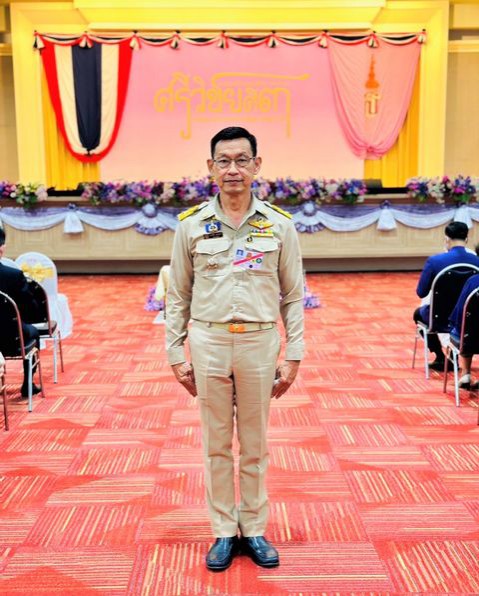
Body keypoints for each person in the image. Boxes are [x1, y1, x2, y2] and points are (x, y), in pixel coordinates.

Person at [166, 126, 304, 571]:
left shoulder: (279, 225)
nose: (233, 170)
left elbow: (292, 295)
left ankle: (255, 528)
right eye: (223, 161)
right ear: (210, 168)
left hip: (260, 343)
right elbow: (177, 294)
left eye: (242, 160)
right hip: (208, 341)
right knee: (217, 444)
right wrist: (175, 353)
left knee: (256, 443)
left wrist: (294, 353)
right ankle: (224, 530)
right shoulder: (190, 226)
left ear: (256, 165)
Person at [414, 221, 479, 371]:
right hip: (467, 319)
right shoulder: (477, 261)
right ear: (467, 239)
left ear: (446, 239)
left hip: (439, 318)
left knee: (418, 314)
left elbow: (421, 292)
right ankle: (453, 355)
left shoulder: (435, 261)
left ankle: (440, 357)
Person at [0, 227, 42, 396]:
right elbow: (30, 309)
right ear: (2, 248)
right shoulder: (14, 275)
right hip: (11, 339)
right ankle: (28, 383)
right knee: (33, 332)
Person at [448, 273, 479, 389]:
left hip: (472, 338)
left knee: (463, 331)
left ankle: (465, 373)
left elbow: (460, 314)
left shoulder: (474, 281)